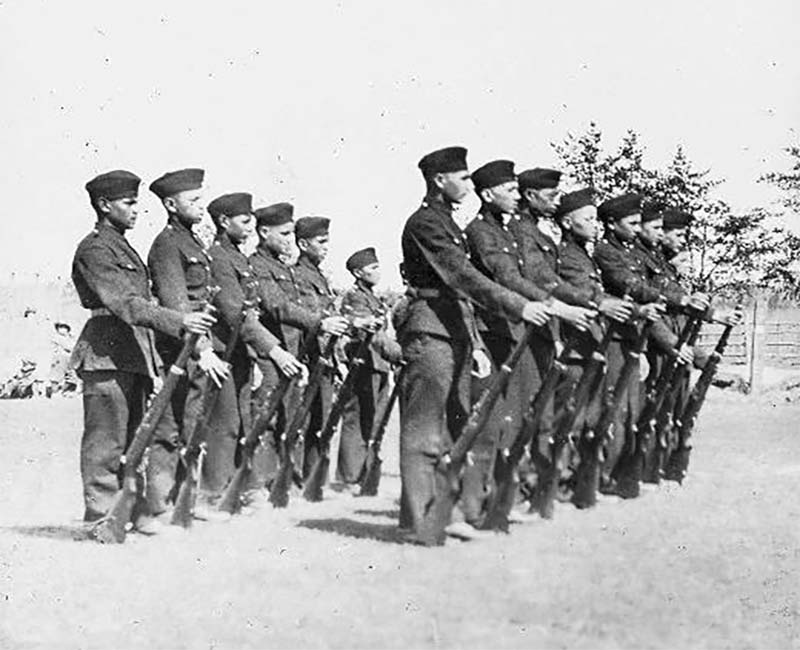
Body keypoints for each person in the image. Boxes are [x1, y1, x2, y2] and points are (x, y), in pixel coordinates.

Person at [398, 146, 551, 544]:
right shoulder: (425, 223)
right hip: (431, 330)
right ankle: (422, 523)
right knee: (424, 431)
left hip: (453, 329)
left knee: (455, 427)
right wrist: (519, 304)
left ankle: (443, 515)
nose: (469, 184)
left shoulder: (446, 222)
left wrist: (477, 343)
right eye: (463, 177)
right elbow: (462, 277)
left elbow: (462, 292)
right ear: (440, 180)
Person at [70, 170, 215, 529]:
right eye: (129, 203)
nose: (136, 209)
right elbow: (126, 303)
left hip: (132, 351)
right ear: (104, 205)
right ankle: (101, 517)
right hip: (106, 352)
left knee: (135, 438)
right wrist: (180, 320)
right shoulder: (95, 249)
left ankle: (128, 513)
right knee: (106, 442)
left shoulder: (121, 246)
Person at [202, 192, 304, 514]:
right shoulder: (219, 258)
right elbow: (237, 314)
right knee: (225, 426)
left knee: (240, 424)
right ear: (224, 222)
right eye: (245, 222)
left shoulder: (237, 257)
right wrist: (274, 352)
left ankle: (239, 491)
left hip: (240, 352)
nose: (250, 227)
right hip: (223, 351)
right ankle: (214, 496)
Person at [146, 168, 230, 523]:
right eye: (192, 199)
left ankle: (187, 501)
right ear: (170, 204)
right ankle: (159, 507)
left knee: (194, 425)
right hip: (180, 350)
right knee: (169, 429)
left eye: (200, 197)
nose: (200, 205)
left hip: (197, 349)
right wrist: (204, 349)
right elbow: (178, 302)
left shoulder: (193, 243)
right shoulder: (167, 244)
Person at [248, 203, 348, 496]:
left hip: (292, 352)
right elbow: (277, 306)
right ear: (263, 232)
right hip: (270, 352)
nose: (289, 240)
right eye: (284, 234)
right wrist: (320, 322)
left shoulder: (283, 268)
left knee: (291, 419)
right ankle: (260, 484)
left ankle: (286, 480)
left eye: (291, 233)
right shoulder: (258, 265)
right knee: (267, 418)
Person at [592, 193, 673, 496]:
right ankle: (605, 477)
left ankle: (622, 475)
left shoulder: (631, 252)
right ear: (612, 224)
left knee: (631, 410)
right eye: (633, 223)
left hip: (632, 336)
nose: (638, 229)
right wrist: (671, 299)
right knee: (615, 409)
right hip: (613, 338)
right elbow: (631, 285)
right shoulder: (605, 251)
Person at [335, 247, 402, 488]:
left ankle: (364, 472)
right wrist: (397, 353)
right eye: (372, 268)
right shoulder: (356, 297)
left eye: (377, 266)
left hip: (379, 363)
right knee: (357, 417)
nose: (378, 271)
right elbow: (368, 333)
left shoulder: (373, 297)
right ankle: (349, 476)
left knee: (375, 417)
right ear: (358, 273)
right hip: (363, 362)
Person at [293, 216, 340, 479]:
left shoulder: (319, 277)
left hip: (324, 357)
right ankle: (297, 477)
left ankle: (313, 478)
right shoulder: (300, 275)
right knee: (305, 420)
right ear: (303, 244)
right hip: (310, 357)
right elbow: (311, 319)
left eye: (327, 242)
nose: (326, 247)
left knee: (321, 419)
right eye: (321, 242)